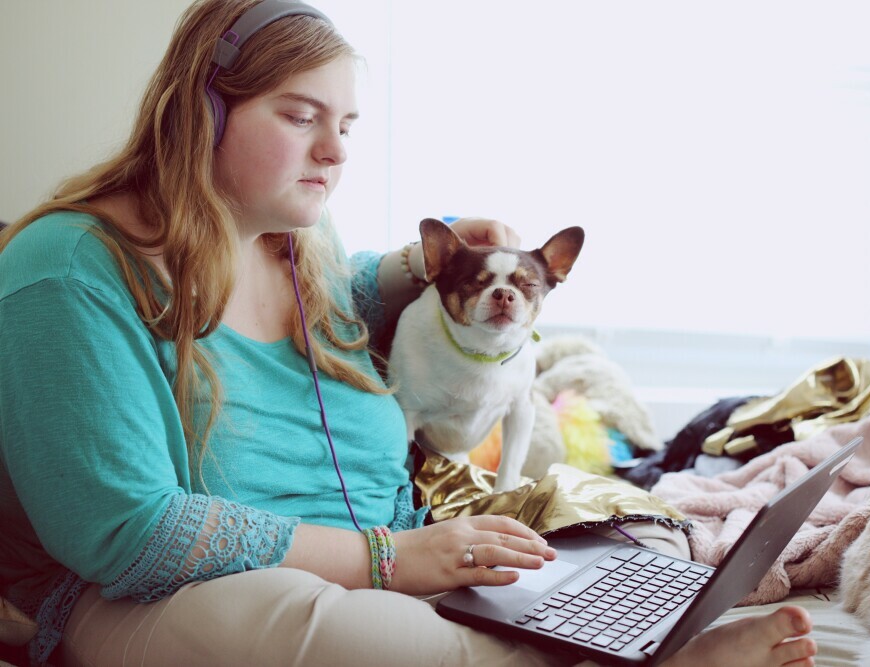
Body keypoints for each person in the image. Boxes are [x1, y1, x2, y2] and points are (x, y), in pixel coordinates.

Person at [0, 1, 819, 665]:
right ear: (203, 112)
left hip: (387, 544)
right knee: (313, 626)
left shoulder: (292, 234)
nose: (334, 151)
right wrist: (390, 562)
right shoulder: (69, 270)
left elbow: (339, 309)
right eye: (301, 116)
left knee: (625, 539)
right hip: (166, 593)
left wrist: (425, 265)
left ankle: (600, 631)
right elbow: (133, 533)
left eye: (348, 125)